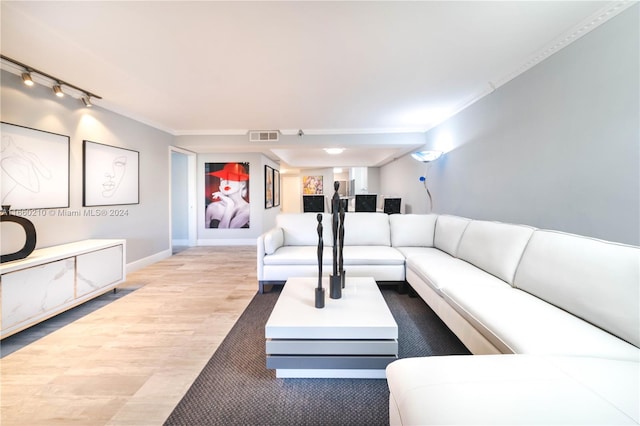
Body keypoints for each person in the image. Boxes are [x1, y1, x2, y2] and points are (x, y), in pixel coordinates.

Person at [205, 163, 250, 228]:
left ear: (242, 184)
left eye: (232, 178)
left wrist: (230, 205)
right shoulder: (212, 207)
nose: (226, 182)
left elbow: (226, 232)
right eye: (223, 179)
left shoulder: (248, 209)